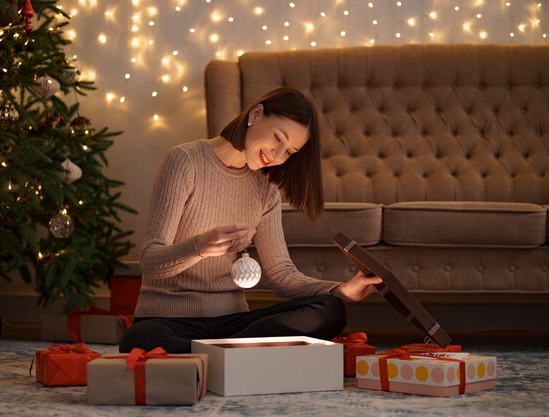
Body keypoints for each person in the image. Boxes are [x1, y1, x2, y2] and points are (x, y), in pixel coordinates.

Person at [119, 87, 382, 354]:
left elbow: (281, 276)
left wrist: (340, 290)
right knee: (141, 337)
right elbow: (151, 261)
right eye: (278, 137)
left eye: (289, 151)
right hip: (168, 322)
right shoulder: (184, 161)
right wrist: (199, 247)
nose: (277, 155)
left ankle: (213, 355)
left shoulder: (266, 191)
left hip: (233, 325)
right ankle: (231, 356)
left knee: (329, 310)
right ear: (256, 114)